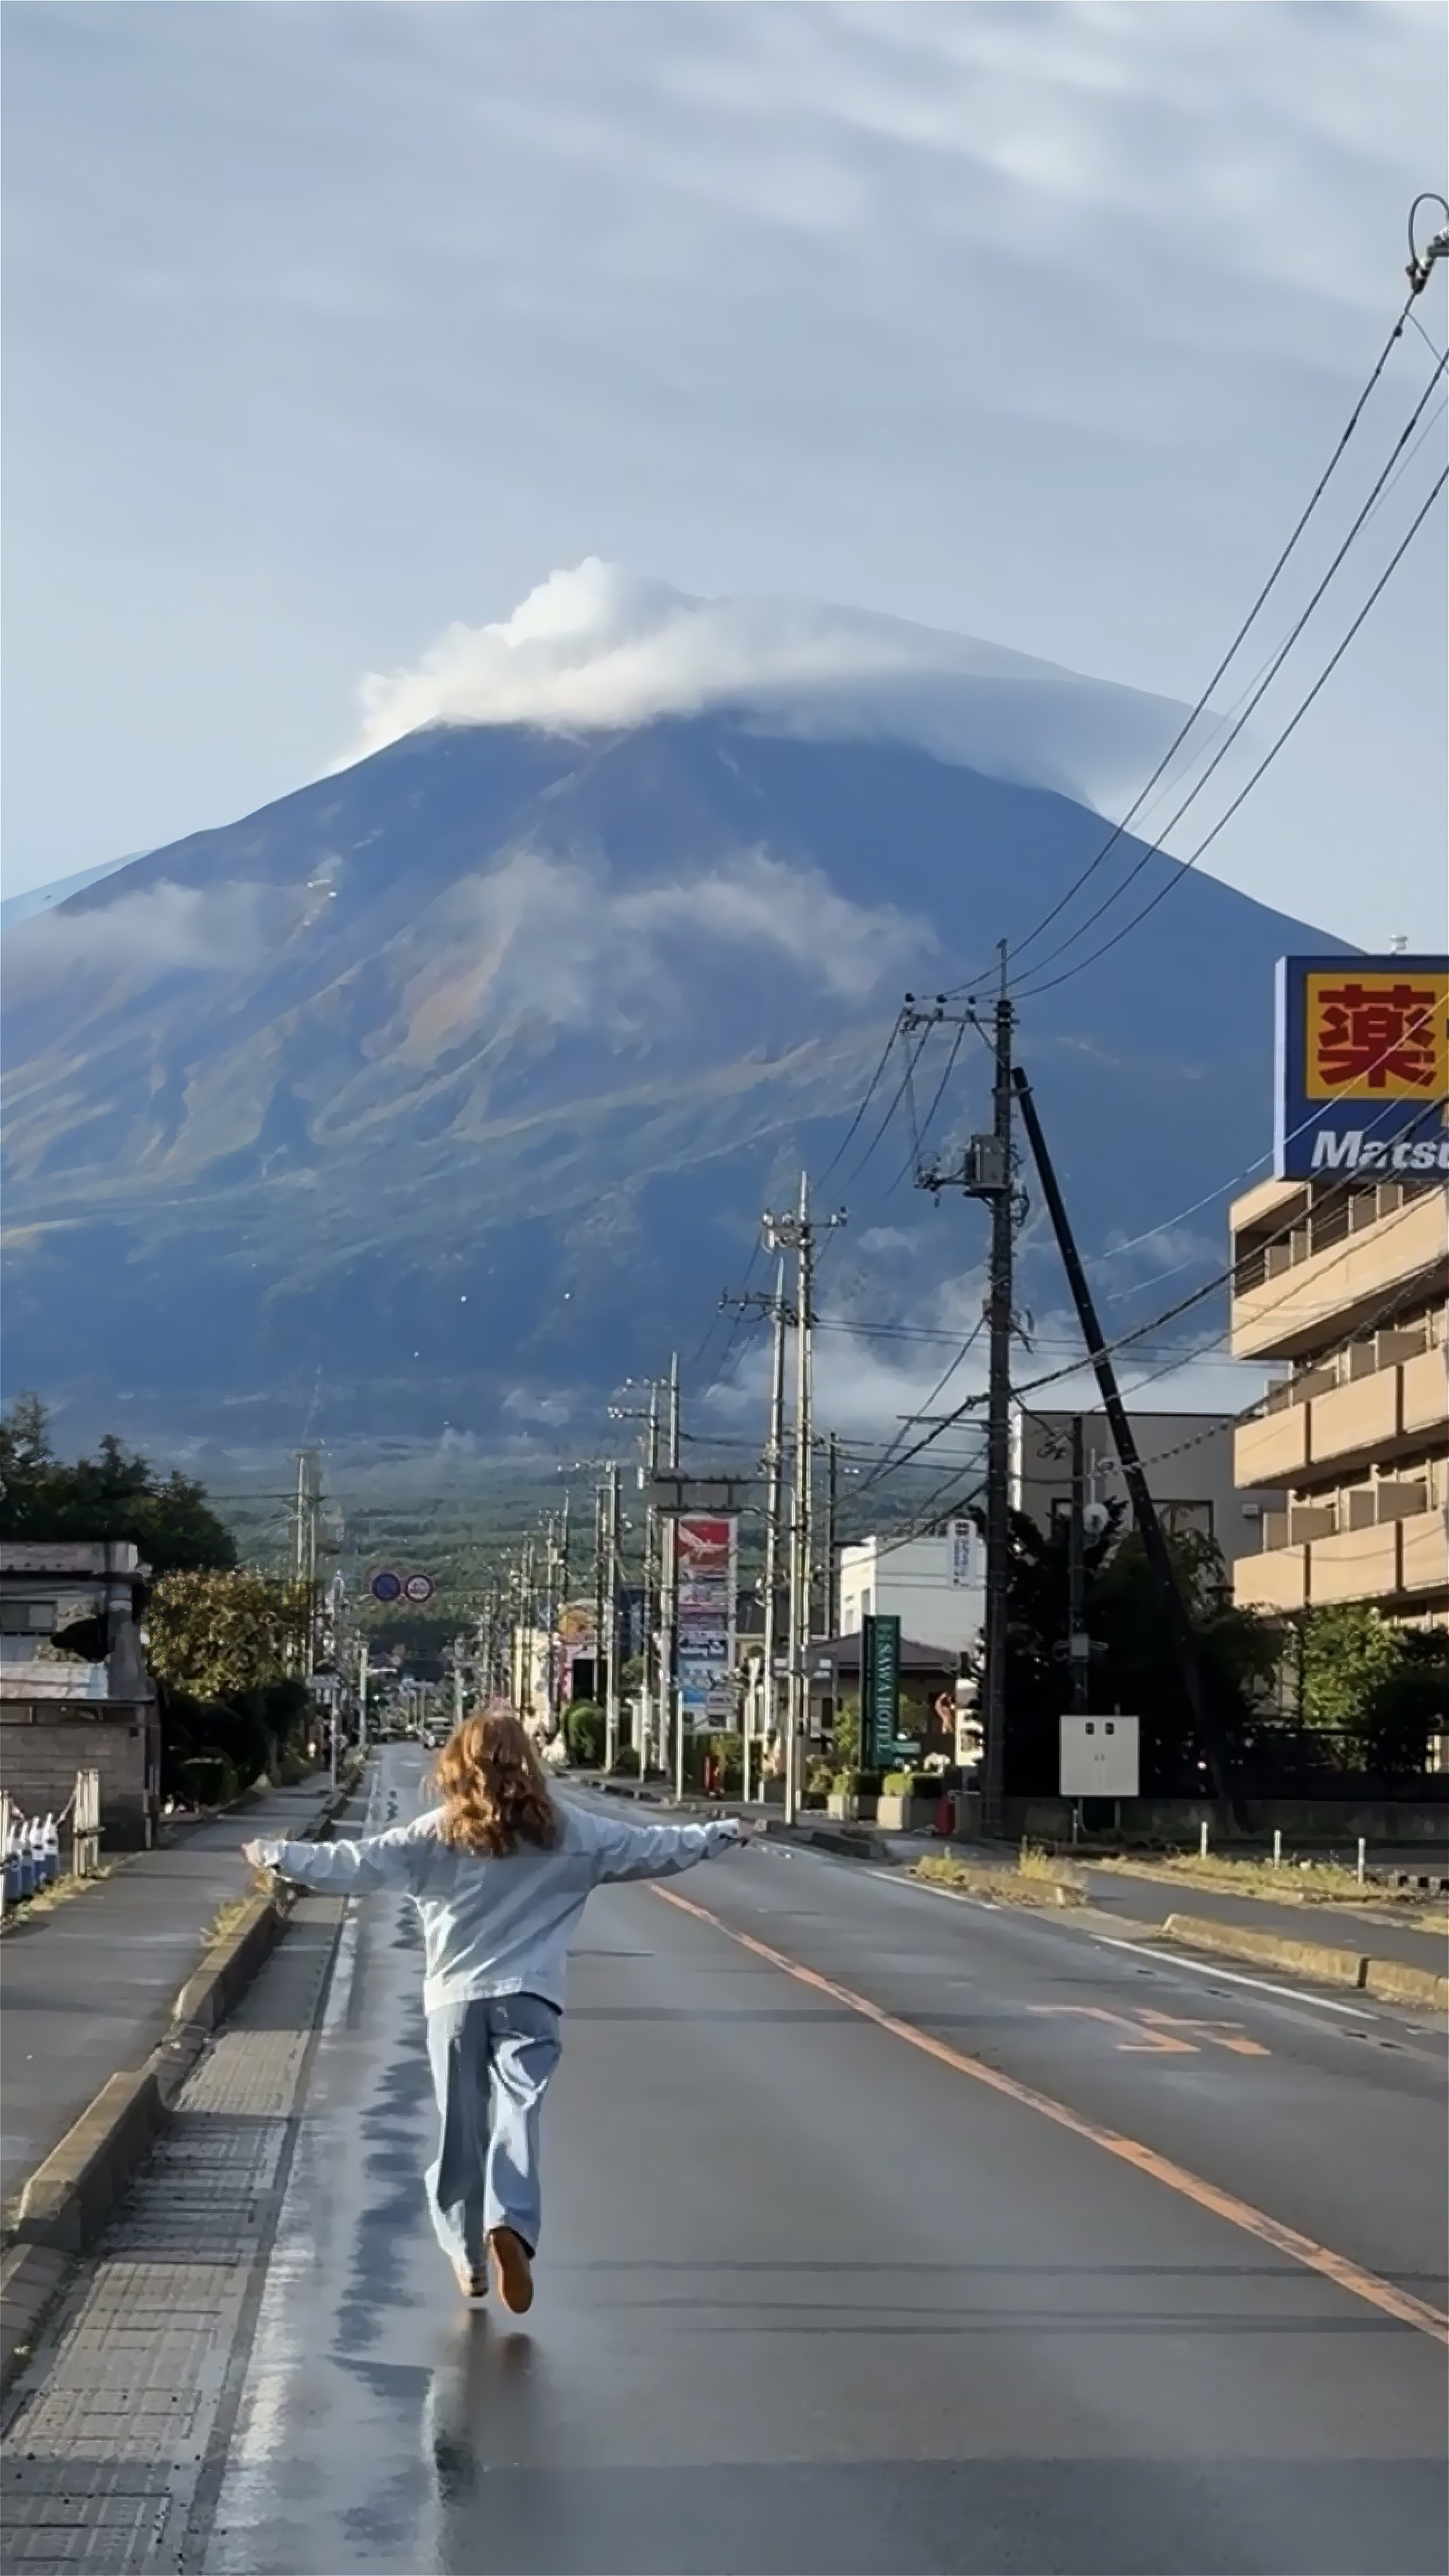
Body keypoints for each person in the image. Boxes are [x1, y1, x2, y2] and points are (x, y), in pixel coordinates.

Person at [243, 1710, 742, 2314]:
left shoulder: (434, 1834)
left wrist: (276, 1854)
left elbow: (355, 1862)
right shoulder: (570, 1831)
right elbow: (654, 1848)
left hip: (453, 2002)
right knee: (518, 2113)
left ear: (457, 1762)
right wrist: (716, 1834)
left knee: (461, 2128)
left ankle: (467, 2256)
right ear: (527, 1760)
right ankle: (509, 2222)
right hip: (530, 1997)